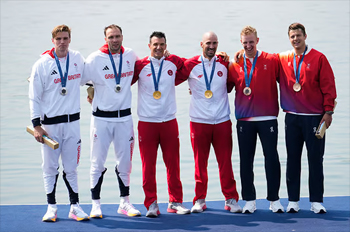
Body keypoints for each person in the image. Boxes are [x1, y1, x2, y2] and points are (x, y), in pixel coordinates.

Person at [28, 24, 89, 222]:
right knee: (50, 167)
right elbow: (34, 97)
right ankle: (51, 207)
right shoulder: (42, 64)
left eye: (65, 38)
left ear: (70, 39)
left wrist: (91, 90)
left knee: (71, 167)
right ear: (53, 41)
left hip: (73, 123)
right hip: (50, 125)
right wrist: (37, 125)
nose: (62, 42)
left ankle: (75, 206)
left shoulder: (77, 58)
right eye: (58, 39)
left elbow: (88, 78)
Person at [179, 31, 242, 213]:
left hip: (222, 120)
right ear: (201, 44)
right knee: (200, 163)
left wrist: (235, 55)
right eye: (208, 43)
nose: (212, 47)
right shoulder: (190, 64)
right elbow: (171, 77)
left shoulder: (224, 63)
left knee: (226, 163)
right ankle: (199, 199)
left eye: (215, 43)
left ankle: (230, 199)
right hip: (199, 122)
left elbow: (231, 84)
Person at [82, 24, 140, 218]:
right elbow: (79, 80)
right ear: (105, 39)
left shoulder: (131, 55)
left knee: (125, 162)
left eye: (117, 36)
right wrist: (91, 90)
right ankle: (95, 204)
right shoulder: (94, 58)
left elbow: (146, 70)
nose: (114, 40)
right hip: (101, 119)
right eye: (111, 37)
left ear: (122, 37)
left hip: (124, 118)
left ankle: (124, 202)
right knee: (96, 162)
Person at [278, 23, 337, 214]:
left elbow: (329, 86)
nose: (296, 39)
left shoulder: (319, 58)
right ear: (289, 38)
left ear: (305, 36)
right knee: (292, 159)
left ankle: (316, 201)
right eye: (292, 36)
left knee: (315, 160)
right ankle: (293, 201)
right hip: (292, 118)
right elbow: (261, 60)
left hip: (314, 118)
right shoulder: (283, 58)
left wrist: (328, 112)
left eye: (298, 36)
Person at [132, 31, 190, 217]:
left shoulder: (172, 63)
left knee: (173, 164)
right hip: (147, 123)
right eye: (155, 44)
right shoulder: (140, 65)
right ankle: (151, 204)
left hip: (169, 122)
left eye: (162, 44)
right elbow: (122, 84)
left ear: (166, 46)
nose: (158, 47)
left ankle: (175, 202)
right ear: (149, 46)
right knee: (148, 166)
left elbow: (189, 65)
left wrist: (171, 55)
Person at [228, 26, 284, 213]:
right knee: (246, 160)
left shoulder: (272, 60)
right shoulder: (234, 63)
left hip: (267, 117)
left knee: (272, 158)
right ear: (241, 43)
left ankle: (274, 200)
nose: (248, 45)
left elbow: (290, 76)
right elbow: (223, 87)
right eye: (245, 43)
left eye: (251, 42)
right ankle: (249, 200)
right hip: (244, 119)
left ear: (257, 41)